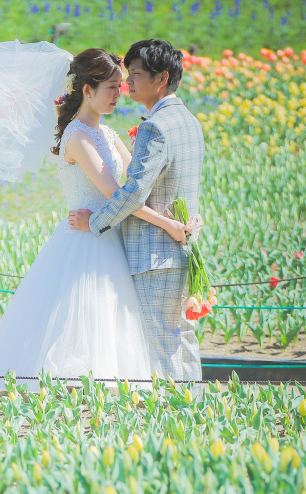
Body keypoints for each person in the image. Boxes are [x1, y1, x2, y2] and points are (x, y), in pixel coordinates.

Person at [0, 48, 188, 388]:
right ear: (87, 91)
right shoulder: (77, 136)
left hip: (107, 234)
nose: (118, 94)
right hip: (83, 242)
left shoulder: (108, 134)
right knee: (83, 324)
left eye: (121, 86)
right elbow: (118, 195)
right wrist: (168, 225)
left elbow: (140, 183)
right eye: (111, 87)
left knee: (113, 322)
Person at [68, 39, 204, 382]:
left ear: (161, 79)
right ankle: (195, 412)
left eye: (136, 75)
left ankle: (181, 418)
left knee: (163, 344)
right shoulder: (189, 121)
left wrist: (94, 221)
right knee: (179, 339)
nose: (128, 84)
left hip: (154, 255)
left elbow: (131, 194)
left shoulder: (155, 126)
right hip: (180, 249)